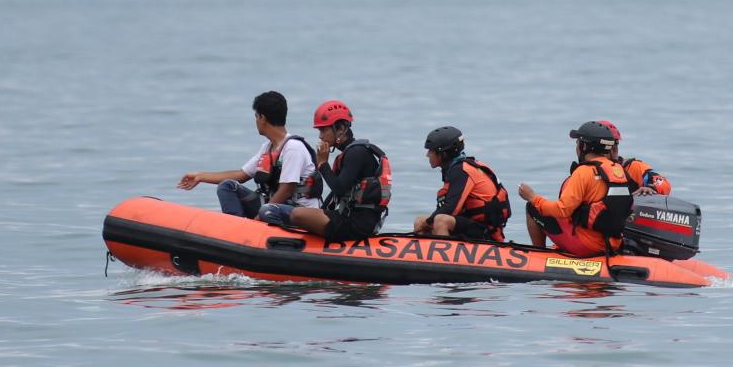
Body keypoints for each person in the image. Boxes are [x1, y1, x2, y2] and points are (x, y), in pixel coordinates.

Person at [174, 91, 319, 223]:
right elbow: (241, 175)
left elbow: (287, 188)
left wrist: (259, 217)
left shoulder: (293, 148)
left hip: (297, 211)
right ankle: (236, 229)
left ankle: (250, 230)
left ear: (263, 118)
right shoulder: (267, 148)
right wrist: (200, 176)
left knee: (266, 211)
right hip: (273, 207)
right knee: (227, 186)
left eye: (256, 116)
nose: (256, 121)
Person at [517, 121, 636, 257]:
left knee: (533, 207)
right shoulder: (619, 170)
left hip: (588, 245)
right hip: (613, 243)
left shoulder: (583, 172)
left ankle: (537, 255)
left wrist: (532, 197)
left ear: (583, 145)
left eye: (577, 143)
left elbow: (562, 210)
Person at [284, 100, 393, 241]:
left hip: (356, 225)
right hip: (349, 218)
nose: (320, 136)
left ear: (340, 129)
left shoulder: (357, 153)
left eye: (324, 130)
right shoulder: (350, 153)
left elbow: (339, 189)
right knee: (293, 211)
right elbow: (338, 193)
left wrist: (323, 164)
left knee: (297, 214)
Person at [412, 126, 511, 243]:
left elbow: (450, 209)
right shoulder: (455, 169)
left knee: (440, 220)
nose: (427, 155)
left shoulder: (462, 171)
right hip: (471, 224)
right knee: (420, 220)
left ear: (443, 153)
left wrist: (428, 223)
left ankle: (444, 258)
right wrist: (426, 223)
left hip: (486, 231)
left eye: (431, 151)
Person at [598, 120, 672, 196]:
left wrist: (650, 188)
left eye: (615, 145)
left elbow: (664, 184)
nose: (615, 149)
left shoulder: (633, 167)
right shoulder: (588, 170)